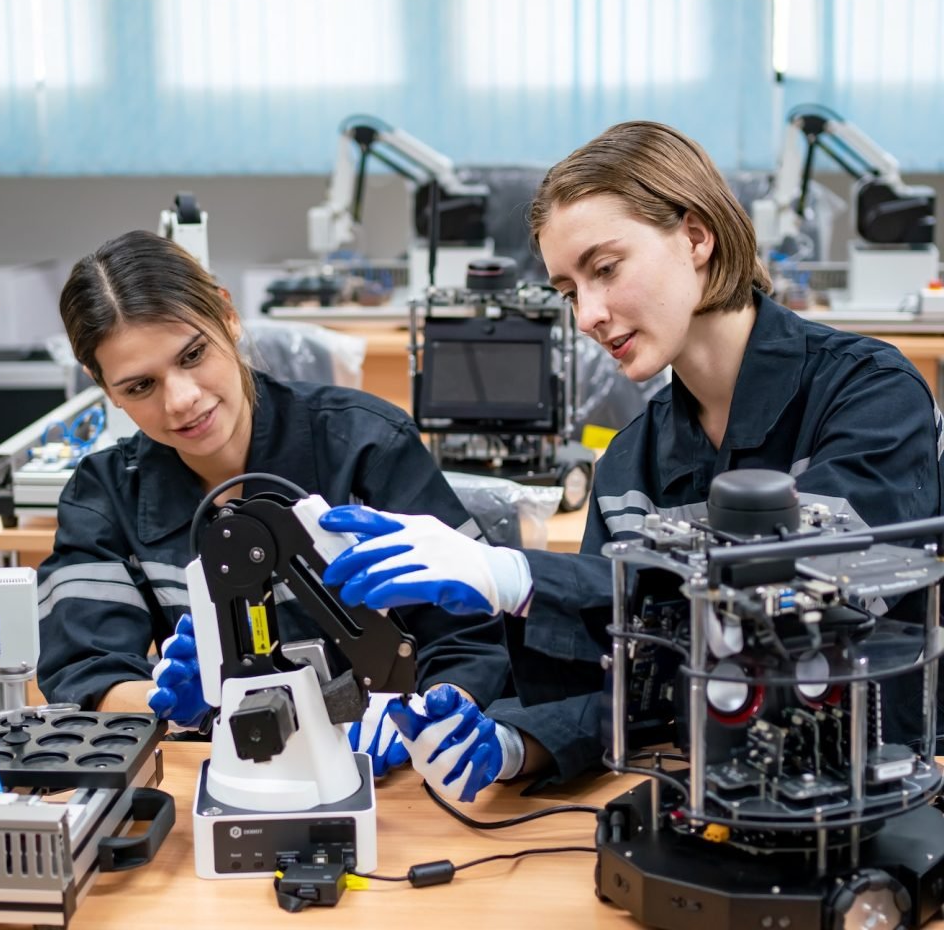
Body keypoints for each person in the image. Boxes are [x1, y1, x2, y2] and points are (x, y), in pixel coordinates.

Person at [318, 120, 944, 801]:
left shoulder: (870, 392)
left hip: (874, 789)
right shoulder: (628, 463)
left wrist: (518, 575)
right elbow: (626, 677)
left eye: (606, 268)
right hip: (715, 791)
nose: (586, 314)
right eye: (567, 291)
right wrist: (515, 746)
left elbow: (805, 592)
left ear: (696, 237)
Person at [36, 229, 511, 775]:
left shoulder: (367, 446)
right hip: (238, 774)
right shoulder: (104, 498)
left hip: (401, 782)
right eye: (140, 386)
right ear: (107, 390)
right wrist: (172, 704)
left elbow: (471, 635)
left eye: (193, 354)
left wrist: (435, 711)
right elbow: (86, 676)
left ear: (227, 315)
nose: (182, 399)